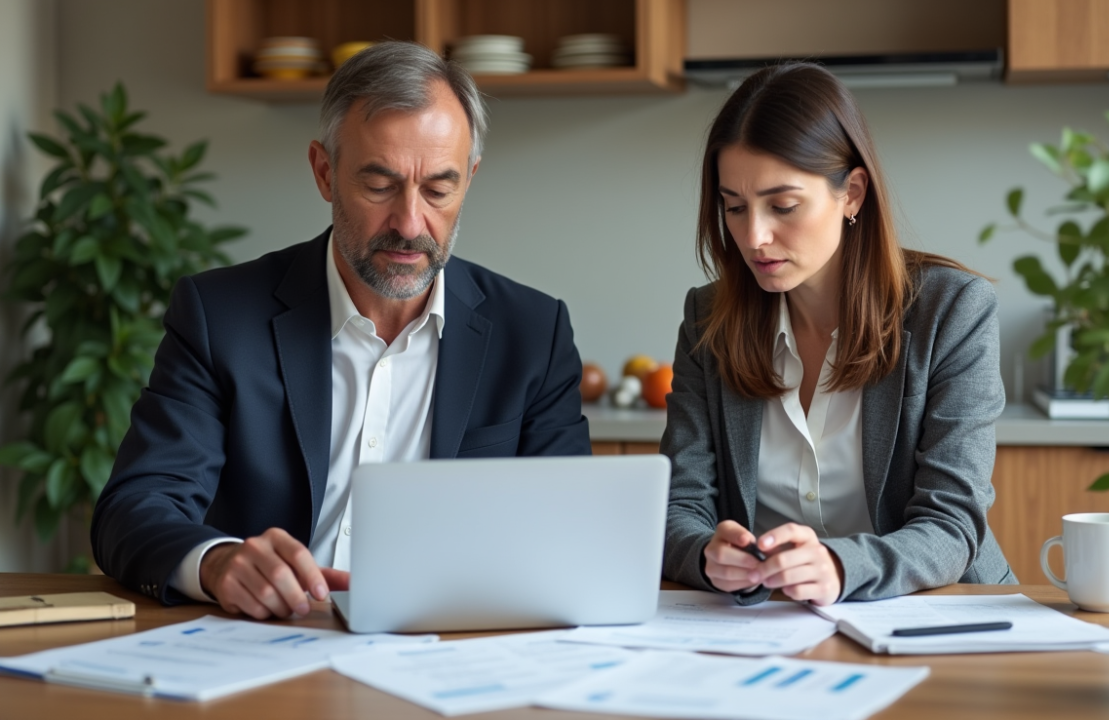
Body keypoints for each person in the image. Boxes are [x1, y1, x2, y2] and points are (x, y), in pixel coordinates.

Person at [91, 41, 592, 619]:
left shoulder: (533, 331)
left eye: (438, 189)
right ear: (325, 172)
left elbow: (567, 534)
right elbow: (135, 507)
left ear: (470, 179)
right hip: (268, 644)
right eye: (379, 185)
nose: (409, 223)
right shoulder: (218, 315)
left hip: (450, 643)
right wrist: (216, 561)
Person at [661, 62, 1016, 607]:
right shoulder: (708, 320)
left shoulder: (952, 311)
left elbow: (952, 526)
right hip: (768, 629)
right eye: (734, 207)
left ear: (851, 193)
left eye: (783, 206)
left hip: (938, 616)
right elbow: (678, 509)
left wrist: (839, 566)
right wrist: (706, 554)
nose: (753, 236)